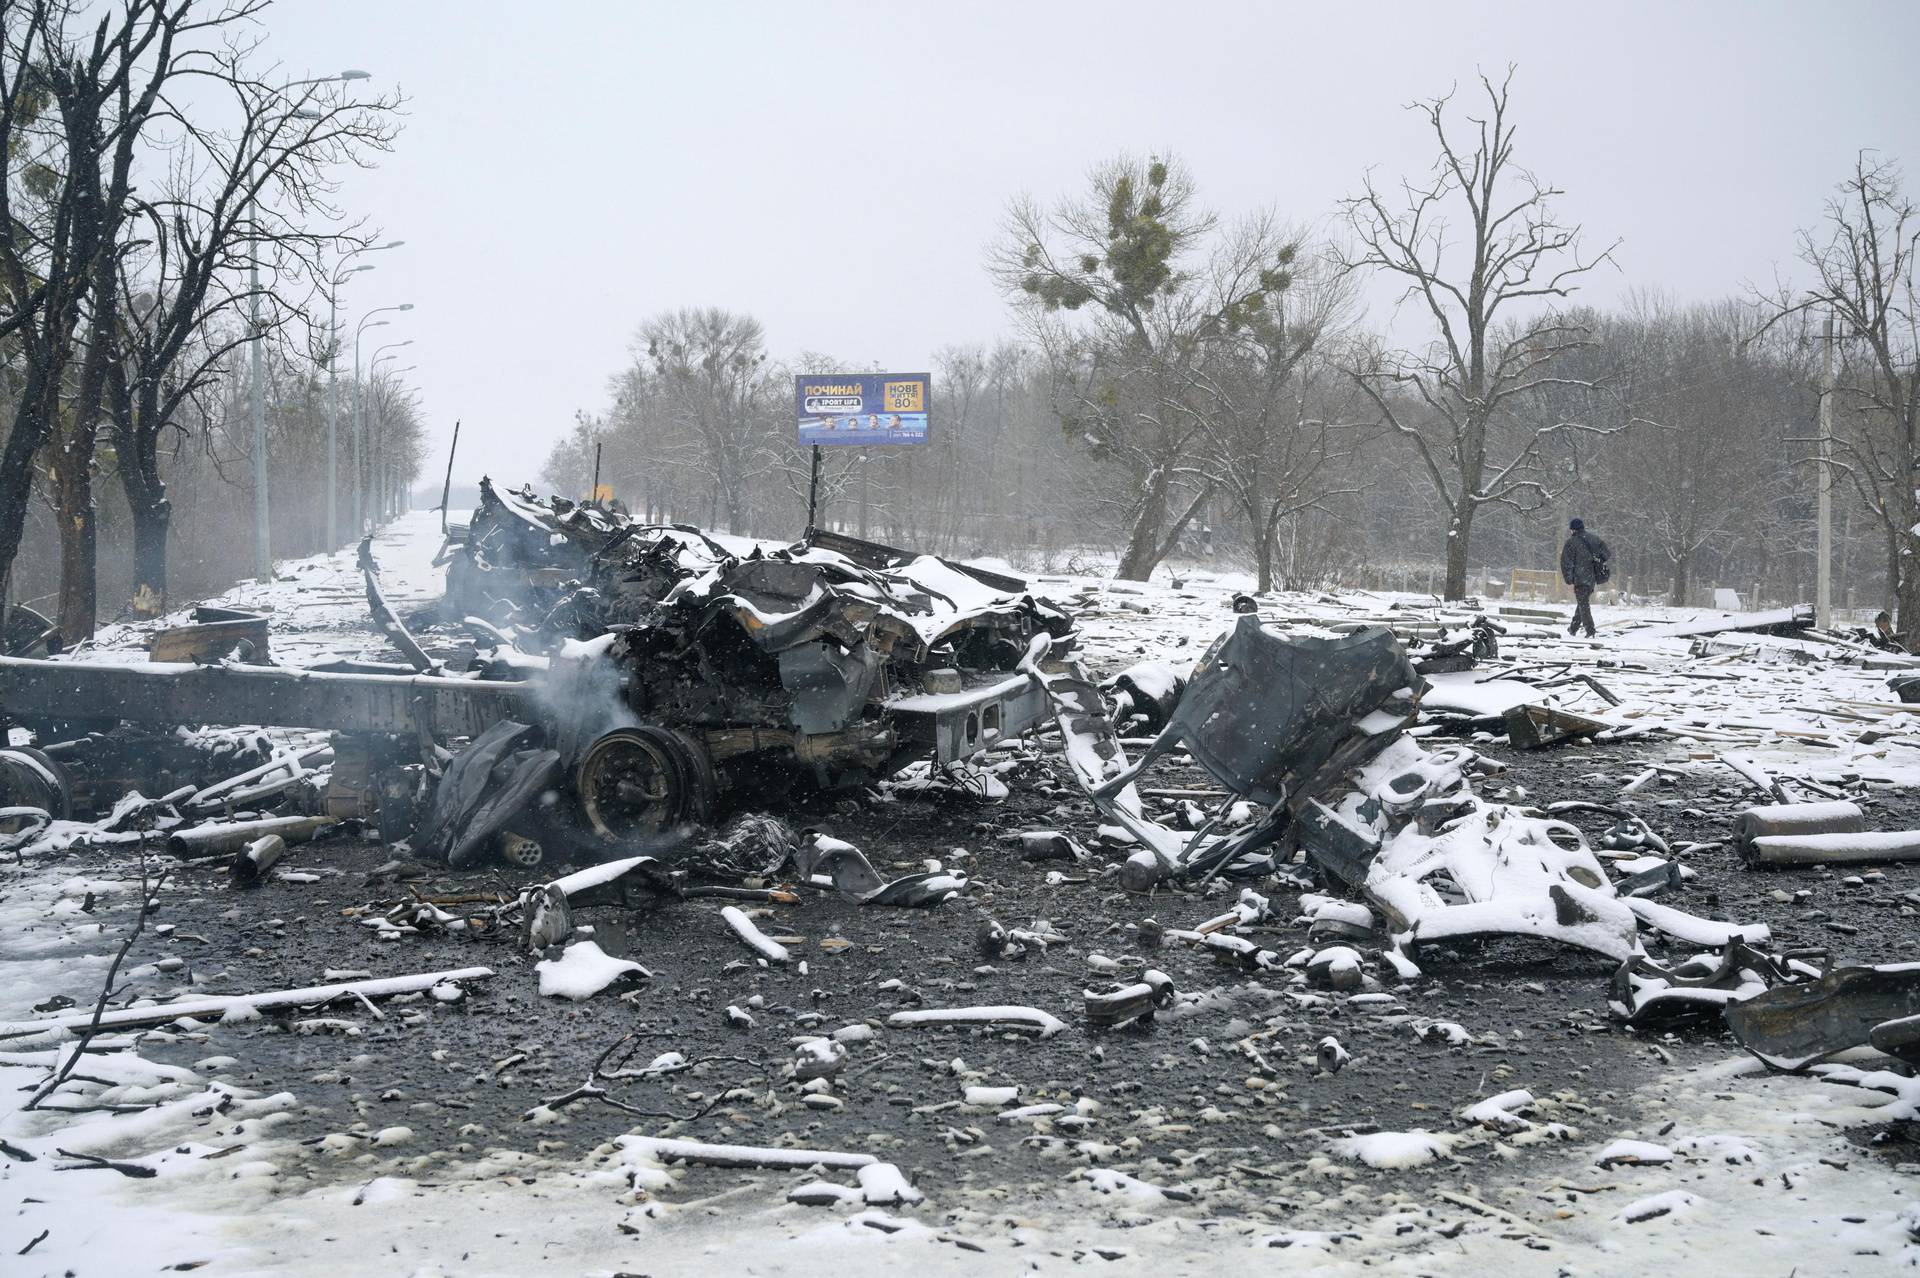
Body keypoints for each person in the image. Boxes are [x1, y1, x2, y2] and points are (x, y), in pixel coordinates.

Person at [1560, 517, 1611, 638]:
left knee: (1583, 604)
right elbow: (1607, 554)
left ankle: (1590, 630)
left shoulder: (1571, 543)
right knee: (1582, 602)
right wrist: (1596, 561)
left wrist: (1569, 579)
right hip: (1591, 578)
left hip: (1580, 577)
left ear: (1573, 529)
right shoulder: (1594, 539)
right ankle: (1573, 628)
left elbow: (1566, 563)